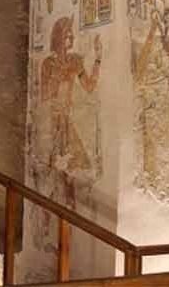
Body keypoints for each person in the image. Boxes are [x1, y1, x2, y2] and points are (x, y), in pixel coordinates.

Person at [40, 17, 101, 214]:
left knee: (70, 174)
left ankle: (69, 212)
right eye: (67, 35)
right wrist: (58, 76)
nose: (71, 38)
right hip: (52, 123)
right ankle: (48, 219)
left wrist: (98, 58)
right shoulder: (48, 63)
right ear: (58, 38)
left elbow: (89, 86)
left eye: (71, 34)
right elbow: (45, 95)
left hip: (67, 121)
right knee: (52, 173)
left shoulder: (75, 61)